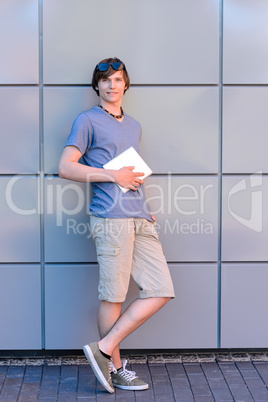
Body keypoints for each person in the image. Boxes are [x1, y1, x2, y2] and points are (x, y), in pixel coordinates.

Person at [58, 57, 175, 394]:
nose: (112, 85)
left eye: (118, 79)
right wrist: (112, 175)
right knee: (114, 295)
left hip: (139, 215)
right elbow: (66, 167)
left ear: (126, 84)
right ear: (97, 86)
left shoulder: (134, 125)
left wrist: (145, 208)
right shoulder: (87, 121)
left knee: (161, 289)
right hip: (110, 218)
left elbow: (133, 176)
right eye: (105, 80)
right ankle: (115, 367)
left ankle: (104, 348)